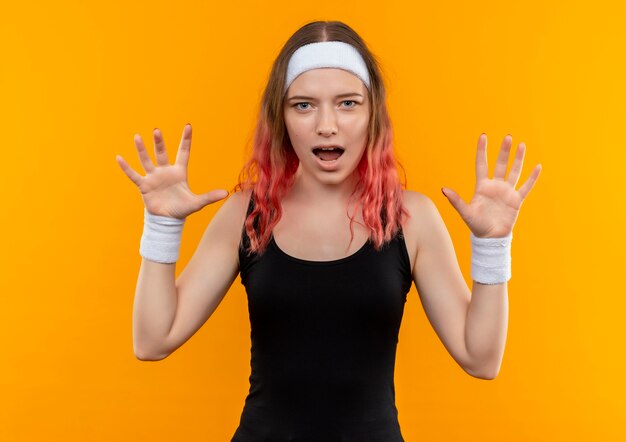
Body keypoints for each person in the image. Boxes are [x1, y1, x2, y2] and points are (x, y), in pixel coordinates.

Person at [115, 20, 541, 442]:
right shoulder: (245, 215)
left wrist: (492, 244)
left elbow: (481, 358)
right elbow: (153, 340)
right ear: (280, 117)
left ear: (373, 112)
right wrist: (162, 226)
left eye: (348, 103)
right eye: (303, 105)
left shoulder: (411, 218)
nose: (326, 125)